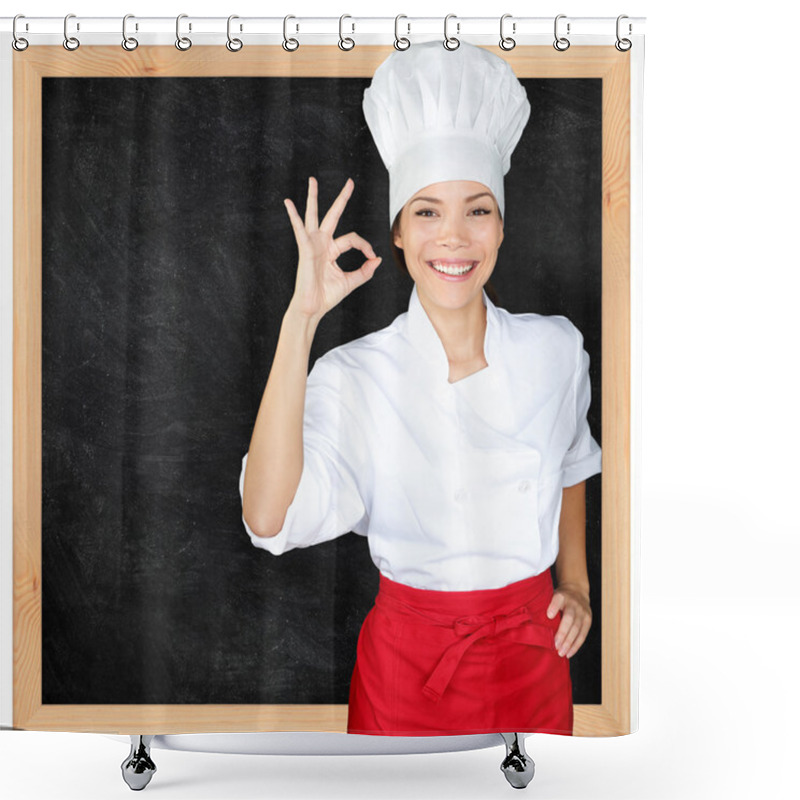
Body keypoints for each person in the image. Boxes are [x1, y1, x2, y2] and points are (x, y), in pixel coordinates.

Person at [239, 41, 601, 737]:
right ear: (399, 232)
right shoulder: (355, 376)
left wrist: (577, 586)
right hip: (408, 671)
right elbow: (266, 518)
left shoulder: (556, 349)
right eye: (428, 212)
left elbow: (574, 461)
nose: (454, 238)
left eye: (478, 210)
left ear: (502, 224)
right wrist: (301, 318)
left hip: (534, 662)